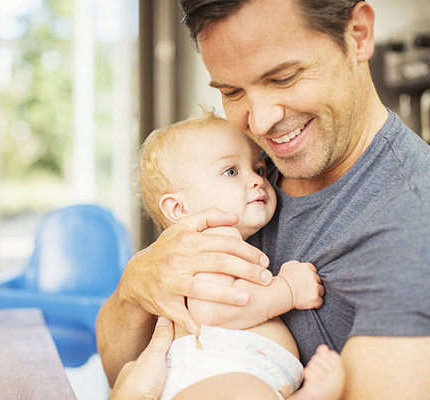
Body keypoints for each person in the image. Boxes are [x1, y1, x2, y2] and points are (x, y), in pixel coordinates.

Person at [96, 1, 430, 399]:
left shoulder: (413, 221)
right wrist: (136, 284)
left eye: (284, 78)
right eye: (232, 91)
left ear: (357, 33)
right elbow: (118, 366)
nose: (260, 121)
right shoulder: (245, 168)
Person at [138, 112, 344, 399]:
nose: (257, 180)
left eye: (258, 169)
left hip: (244, 378)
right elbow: (212, 310)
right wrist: (287, 290)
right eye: (231, 172)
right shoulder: (209, 241)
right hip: (213, 375)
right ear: (179, 209)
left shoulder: (234, 242)